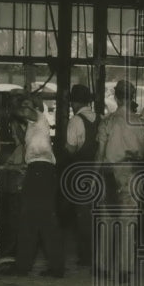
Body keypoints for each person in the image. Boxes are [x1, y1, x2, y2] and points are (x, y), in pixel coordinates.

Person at [95, 80, 144, 281]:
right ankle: (125, 271)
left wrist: (95, 176)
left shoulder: (107, 122)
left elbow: (100, 153)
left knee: (106, 221)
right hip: (133, 174)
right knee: (128, 224)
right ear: (132, 97)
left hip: (110, 173)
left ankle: (103, 268)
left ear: (116, 97)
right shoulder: (141, 123)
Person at [7, 93, 64, 278]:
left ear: (35, 107)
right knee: (42, 221)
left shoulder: (39, 116)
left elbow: (23, 111)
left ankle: (24, 266)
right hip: (40, 171)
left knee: (31, 220)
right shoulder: (33, 127)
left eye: (28, 104)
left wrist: (12, 105)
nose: (26, 108)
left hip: (41, 171)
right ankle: (53, 267)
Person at [62, 84, 100, 267]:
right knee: (98, 214)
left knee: (83, 215)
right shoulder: (100, 118)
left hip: (82, 172)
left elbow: (70, 148)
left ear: (74, 102)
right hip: (99, 171)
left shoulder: (75, 120)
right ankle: (100, 254)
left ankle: (86, 257)